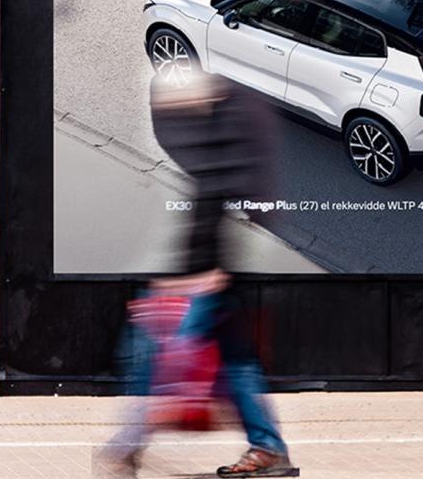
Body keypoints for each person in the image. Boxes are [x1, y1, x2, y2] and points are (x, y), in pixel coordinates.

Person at [97, 69, 297, 478]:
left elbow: (226, 207)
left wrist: (201, 275)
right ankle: (268, 448)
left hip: (207, 278)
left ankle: (129, 444)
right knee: (236, 364)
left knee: (156, 357)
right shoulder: (217, 133)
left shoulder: (231, 129)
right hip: (208, 275)